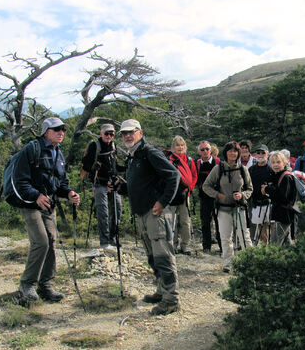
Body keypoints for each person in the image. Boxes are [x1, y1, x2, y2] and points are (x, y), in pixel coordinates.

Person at [13, 117, 80, 302]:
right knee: (41, 242)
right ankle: (27, 285)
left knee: (51, 242)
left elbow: (60, 182)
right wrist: (35, 195)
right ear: (45, 132)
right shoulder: (32, 149)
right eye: (56, 129)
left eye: (63, 129)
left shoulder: (58, 153)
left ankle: (46, 286)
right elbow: (20, 180)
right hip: (31, 203)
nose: (61, 132)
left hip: (49, 204)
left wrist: (69, 193)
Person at [119, 118, 180, 316]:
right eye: (124, 133)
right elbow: (139, 186)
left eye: (132, 132)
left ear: (140, 132)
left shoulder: (149, 153)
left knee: (163, 256)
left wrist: (162, 202)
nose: (128, 135)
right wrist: (120, 188)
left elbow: (174, 176)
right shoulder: (133, 156)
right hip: (142, 213)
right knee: (153, 256)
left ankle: (171, 300)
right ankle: (162, 291)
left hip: (155, 213)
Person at [202, 141, 253, 273]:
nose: (232, 153)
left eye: (235, 151)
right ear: (225, 153)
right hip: (223, 208)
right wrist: (218, 195)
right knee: (225, 237)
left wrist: (242, 195)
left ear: (238, 153)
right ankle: (228, 263)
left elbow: (250, 189)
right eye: (230, 151)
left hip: (239, 207)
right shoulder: (218, 169)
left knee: (244, 236)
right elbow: (205, 186)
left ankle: (251, 261)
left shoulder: (243, 169)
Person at [81, 124, 122, 253]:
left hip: (112, 183)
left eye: (112, 134)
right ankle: (104, 242)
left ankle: (113, 238)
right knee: (103, 212)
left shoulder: (113, 146)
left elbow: (115, 165)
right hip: (99, 183)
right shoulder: (94, 145)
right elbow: (85, 164)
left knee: (117, 210)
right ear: (101, 133)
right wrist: (94, 167)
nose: (109, 136)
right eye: (107, 134)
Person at [167, 136, 197, 255]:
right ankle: (173, 244)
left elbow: (194, 176)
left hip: (185, 195)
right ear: (173, 147)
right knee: (172, 220)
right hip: (172, 195)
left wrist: (190, 188)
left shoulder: (189, 160)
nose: (180, 147)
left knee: (185, 221)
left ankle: (185, 245)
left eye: (182, 145)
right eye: (177, 145)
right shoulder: (169, 159)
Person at [261, 152, 296, 246]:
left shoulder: (286, 177)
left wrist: (267, 189)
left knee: (274, 245)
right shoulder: (278, 176)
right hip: (282, 214)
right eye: (273, 162)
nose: (276, 165)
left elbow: (283, 197)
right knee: (286, 243)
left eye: (278, 162)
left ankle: (272, 260)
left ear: (284, 163)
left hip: (284, 214)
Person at [195, 140, 221, 253]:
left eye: (207, 149)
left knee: (219, 221)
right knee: (205, 222)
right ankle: (206, 247)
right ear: (199, 152)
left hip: (217, 196)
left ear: (211, 150)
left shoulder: (218, 162)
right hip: (204, 197)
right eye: (202, 149)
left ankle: (222, 246)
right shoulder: (198, 163)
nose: (205, 151)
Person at [248, 144, 272, 244]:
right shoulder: (251, 170)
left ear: (268, 154)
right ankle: (264, 250)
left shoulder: (271, 169)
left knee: (271, 228)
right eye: (258, 153)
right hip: (256, 203)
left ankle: (273, 250)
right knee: (261, 228)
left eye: (263, 152)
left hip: (270, 203)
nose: (260, 155)